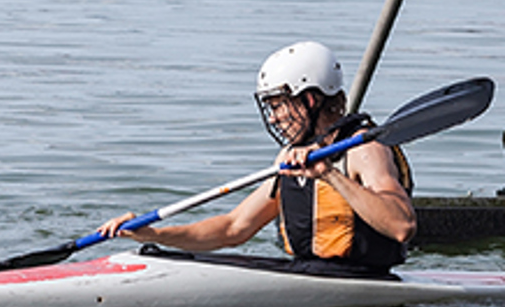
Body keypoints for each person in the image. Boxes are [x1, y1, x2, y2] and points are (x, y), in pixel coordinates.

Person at [96, 41, 415, 274]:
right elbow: (234, 228)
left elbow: (402, 225)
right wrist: (152, 235)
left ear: (309, 99)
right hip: (309, 276)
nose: (274, 118)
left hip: (360, 284)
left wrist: (329, 175)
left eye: (278, 105)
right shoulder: (292, 156)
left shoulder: (363, 149)